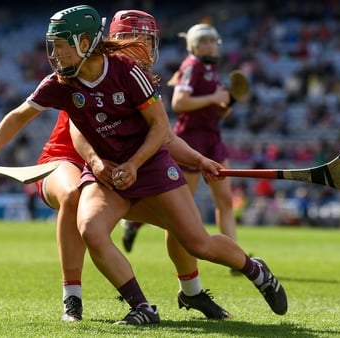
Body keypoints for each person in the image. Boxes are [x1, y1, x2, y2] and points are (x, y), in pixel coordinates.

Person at [0, 5, 287, 325]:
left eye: (62, 45)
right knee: (91, 228)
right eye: (55, 46)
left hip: (150, 168)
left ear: (85, 41)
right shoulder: (62, 82)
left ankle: (255, 270)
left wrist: (174, 161)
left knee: (197, 242)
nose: (56, 54)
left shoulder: (128, 72)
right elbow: (21, 115)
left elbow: (162, 130)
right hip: (105, 172)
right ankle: (142, 307)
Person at [33, 9, 230, 323]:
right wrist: (99, 164)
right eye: (131, 39)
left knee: (182, 224)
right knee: (73, 197)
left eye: (146, 41)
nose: (140, 47)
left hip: (118, 167)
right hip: (71, 159)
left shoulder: (136, 80)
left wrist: (198, 160)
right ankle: (72, 298)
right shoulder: (88, 73)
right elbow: (78, 134)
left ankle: (191, 291)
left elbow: (163, 136)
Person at [121, 22, 240, 265]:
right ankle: (134, 222)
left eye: (212, 41)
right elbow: (179, 102)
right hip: (191, 139)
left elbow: (211, 110)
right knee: (182, 206)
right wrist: (215, 97)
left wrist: (223, 107)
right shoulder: (190, 67)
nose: (209, 45)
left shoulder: (210, 69)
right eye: (204, 41)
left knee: (225, 200)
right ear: (194, 46)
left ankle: (234, 256)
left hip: (213, 138)